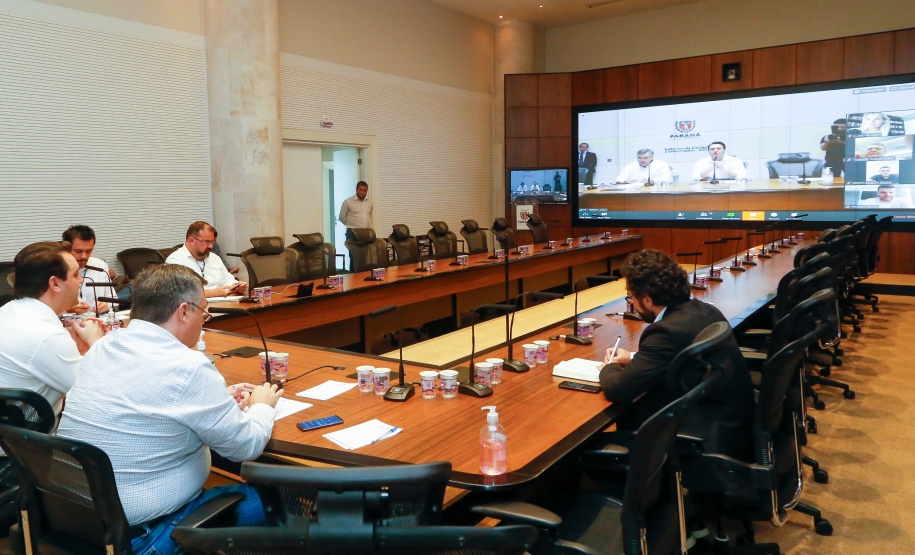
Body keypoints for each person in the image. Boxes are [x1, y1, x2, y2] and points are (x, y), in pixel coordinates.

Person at [58, 265, 283, 555]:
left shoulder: (105, 347)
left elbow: (146, 401)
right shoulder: (188, 367)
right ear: (184, 311)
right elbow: (246, 447)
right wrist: (261, 406)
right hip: (142, 534)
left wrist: (216, 400)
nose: (205, 319)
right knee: (276, 497)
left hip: (70, 520)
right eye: (204, 310)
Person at [599, 249, 754, 459]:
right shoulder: (704, 310)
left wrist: (609, 367)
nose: (632, 304)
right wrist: (634, 358)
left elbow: (617, 389)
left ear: (646, 299)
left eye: (631, 298)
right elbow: (677, 356)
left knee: (593, 445)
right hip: (734, 425)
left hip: (705, 441)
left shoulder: (665, 332)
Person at [0, 242, 105, 414]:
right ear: (55, 284)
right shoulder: (46, 334)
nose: (80, 280)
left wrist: (78, 349)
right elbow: (97, 393)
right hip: (27, 437)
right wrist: (97, 343)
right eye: (76, 274)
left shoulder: (9, 310)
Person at [166, 221, 248, 298]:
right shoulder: (175, 261)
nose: (211, 246)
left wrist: (237, 286)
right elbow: (178, 295)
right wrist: (213, 293)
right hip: (194, 310)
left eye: (212, 242)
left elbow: (228, 281)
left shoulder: (214, 257)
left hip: (225, 304)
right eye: (206, 242)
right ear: (191, 241)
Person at [62, 225, 117, 315]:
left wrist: (107, 305)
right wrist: (67, 309)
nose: (84, 256)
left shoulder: (100, 266)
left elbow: (113, 299)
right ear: (66, 248)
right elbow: (44, 309)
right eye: (78, 251)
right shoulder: (54, 269)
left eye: (88, 251)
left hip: (97, 321)